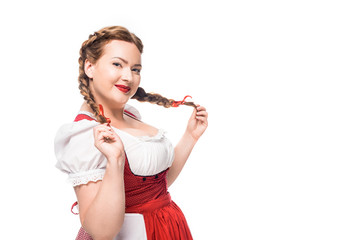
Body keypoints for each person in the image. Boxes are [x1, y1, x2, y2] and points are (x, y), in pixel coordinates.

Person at [54, 26, 208, 240]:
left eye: (136, 69)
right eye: (117, 64)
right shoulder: (85, 134)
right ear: (90, 67)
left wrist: (190, 137)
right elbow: (101, 232)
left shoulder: (131, 115)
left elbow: (154, 187)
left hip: (167, 228)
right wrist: (115, 161)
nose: (128, 77)